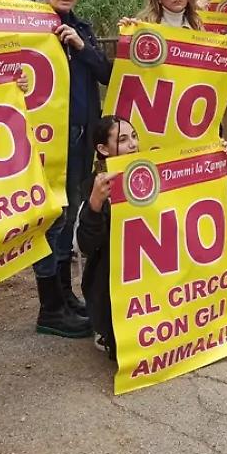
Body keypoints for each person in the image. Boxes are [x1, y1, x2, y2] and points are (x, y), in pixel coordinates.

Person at [36, 0, 113, 338]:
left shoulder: (81, 29)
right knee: (52, 217)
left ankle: (65, 296)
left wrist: (82, 47)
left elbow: (106, 73)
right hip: (49, 139)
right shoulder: (31, 29)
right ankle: (49, 306)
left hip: (82, 135)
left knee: (71, 213)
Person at [76, 115, 140, 358]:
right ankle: (105, 326)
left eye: (134, 136)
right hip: (110, 279)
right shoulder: (94, 185)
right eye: (123, 140)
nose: (133, 144)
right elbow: (86, 245)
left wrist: (221, 162)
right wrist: (95, 204)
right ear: (103, 149)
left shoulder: (148, 171)